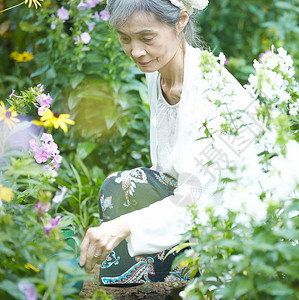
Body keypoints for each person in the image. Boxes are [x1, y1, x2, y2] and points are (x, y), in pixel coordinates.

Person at [79, 0, 260, 286]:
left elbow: (196, 198)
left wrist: (126, 225)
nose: (136, 51)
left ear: (181, 21)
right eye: (125, 38)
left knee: (125, 206)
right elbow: (169, 174)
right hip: (193, 210)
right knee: (120, 188)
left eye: (146, 38)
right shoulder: (158, 73)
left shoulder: (213, 92)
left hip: (240, 233)